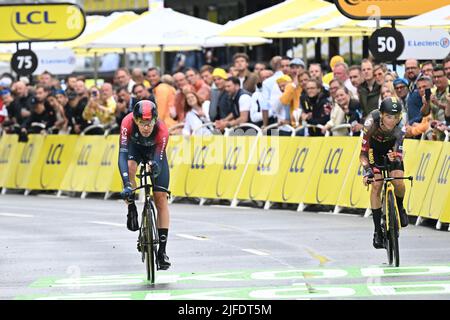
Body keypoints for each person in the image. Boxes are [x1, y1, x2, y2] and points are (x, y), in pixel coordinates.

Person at [118, 100, 171, 270]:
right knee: (131, 167)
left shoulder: (162, 130)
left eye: (149, 123)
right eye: (142, 123)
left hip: (155, 152)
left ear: (155, 120)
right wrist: (127, 185)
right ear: (135, 120)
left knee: (161, 199)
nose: (146, 128)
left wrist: (154, 166)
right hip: (134, 149)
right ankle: (131, 207)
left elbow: (159, 159)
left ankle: (162, 252)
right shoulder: (127, 123)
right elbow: (122, 157)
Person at [360, 97, 409, 250]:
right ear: (381, 115)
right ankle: (377, 231)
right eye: (388, 116)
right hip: (374, 150)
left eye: (395, 117)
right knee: (376, 185)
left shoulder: (401, 125)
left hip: (391, 149)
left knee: (399, 182)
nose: (392, 121)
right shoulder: (370, 122)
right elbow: (363, 153)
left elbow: (398, 148)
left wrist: (395, 155)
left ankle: (399, 207)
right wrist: (368, 171)